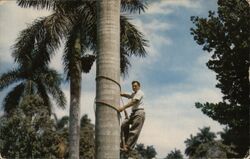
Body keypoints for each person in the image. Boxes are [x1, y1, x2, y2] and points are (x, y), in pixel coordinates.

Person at [118, 81, 145, 152]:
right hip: (133, 113)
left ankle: (128, 146)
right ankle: (124, 143)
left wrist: (123, 108)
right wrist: (120, 93)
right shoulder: (134, 94)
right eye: (133, 86)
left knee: (134, 130)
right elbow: (128, 95)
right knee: (124, 124)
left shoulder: (140, 93)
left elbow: (134, 101)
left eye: (135, 86)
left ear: (139, 86)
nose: (134, 87)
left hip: (139, 112)